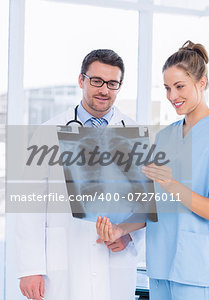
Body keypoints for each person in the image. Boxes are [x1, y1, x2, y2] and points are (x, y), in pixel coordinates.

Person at [96, 40, 209, 300]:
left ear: (202, 83)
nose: (172, 96)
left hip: (198, 266)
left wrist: (172, 185)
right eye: (167, 88)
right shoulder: (165, 137)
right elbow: (155, 206)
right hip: (161, 264)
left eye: (179, 86)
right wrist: (122, 230)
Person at [16, 49, 143, 300]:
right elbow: (29, 203)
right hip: (63, 259)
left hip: (114, 260)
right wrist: (30, 268)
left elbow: (143, 202)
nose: (104, 90)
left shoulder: (134, 133)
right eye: (96, 81)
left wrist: (129, 236)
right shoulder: (48, 132)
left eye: (112, 83)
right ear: (81, 80)